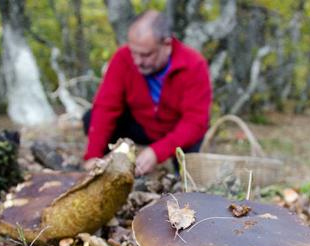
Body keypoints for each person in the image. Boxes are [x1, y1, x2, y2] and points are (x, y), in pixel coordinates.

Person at [82, 10, 212, 176]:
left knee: (191, 146)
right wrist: (93, 155)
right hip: (141, 126)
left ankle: (180, 173)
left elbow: (195, 121)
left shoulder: (194, 65)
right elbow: (106, 107)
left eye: (146, 55)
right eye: (133, 52)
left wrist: (157, 152)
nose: (137, 61)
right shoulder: (122, 58)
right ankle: (111, 165)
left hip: (177, 131)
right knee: (91, 117)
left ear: (167, 44)